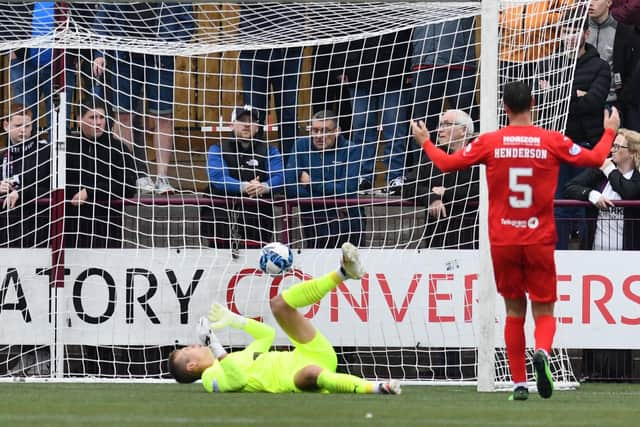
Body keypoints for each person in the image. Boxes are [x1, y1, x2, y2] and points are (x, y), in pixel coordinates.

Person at [411, 81, 620, 400]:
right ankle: (543, 353)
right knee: (544, 309)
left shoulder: (490, 142)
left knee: (513, 310)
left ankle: (520, 383)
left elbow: (446, 164)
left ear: (505, 108)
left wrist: (426, 142)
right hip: (538, 237)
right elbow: (594, 159)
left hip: (504, 238)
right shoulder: (551, 140)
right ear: (533, 104)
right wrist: (609, 132)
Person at [168, 242, 401, 395]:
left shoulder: (240, 356)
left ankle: (343, 272)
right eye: (190, 348)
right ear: (192, 366)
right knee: (312, 374)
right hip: (294, 378)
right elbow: (237, 380)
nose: (195, 344)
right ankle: (376, 388)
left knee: (279, 304)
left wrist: (234, 319)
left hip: (312, 353)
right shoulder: (211, 379)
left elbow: (267, 334)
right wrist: (213, 344)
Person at [93, 2, 195, 194]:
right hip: (124, 58)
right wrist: (100, 54)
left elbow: (188, 23)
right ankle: (126, 175)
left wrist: (171, 45)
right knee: (123, 117)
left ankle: (162, 178)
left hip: (160, 59)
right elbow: (101, 22)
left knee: (164, 118)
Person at [540, 16, 612, 249]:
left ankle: (585, 254)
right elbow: (543, 102)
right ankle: (559, 254)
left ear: (586, 34)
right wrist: (577, 94)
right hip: (557, 146)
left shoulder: (600, 66)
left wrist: (560, 93)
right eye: (565, 32)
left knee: (585, 203)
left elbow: (593, 102)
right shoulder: (550, 63)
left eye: (574, 31)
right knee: (558, 203)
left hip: (586, 146)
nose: (569, 37)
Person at [336, 29, 413, 193]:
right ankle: (363, 177)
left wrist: (409, 67)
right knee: (362, 130)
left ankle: (396, 177)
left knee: (396, 129)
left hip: (395, 73)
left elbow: (409, 34)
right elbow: (345, 32)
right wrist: (343, 67)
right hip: (359, 73)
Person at [203, 106, 284, 249]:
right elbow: (217, 178)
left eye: (251, 121)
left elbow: (280, 176)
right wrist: (246, 186)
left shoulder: (270, 150)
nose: (247, 124)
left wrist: (264, 187)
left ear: (258, 127)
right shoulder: (217, 149)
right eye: (242, 120)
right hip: (220, 219)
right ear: (231, 125)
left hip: (257, 221)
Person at [284, 110, 363, 248]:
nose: (319, 136)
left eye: (325, 131)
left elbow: (347, 189)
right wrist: (330, 196)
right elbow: (289, 188)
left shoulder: (351, 150)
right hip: (313, 222)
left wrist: (311, 184)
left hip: (346, 222)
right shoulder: (301, 146)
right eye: (315, 130)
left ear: (337, 131)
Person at [402, 109, 479, 249]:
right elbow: (408, 186)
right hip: (438, 239)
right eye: (440, 125)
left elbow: (482, 189)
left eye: (447, 124)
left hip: (473, 237)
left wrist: (446, 193)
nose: (440, 130)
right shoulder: (432, 156)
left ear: (463, 130)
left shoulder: (479, 155)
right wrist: (432, 197)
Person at [65, 98, 137, 248]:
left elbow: (129, 187)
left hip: (108, 228)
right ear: (79, 120)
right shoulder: (68, 147)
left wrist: (91, 192)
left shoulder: (118, 148)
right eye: (92, 117)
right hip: (72, 228)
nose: (98, 122)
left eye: (101, 117)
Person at [564, 128, 640, 250]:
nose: (611, 150)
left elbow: (629, 192)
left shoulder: (633, 176)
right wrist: (591, 194)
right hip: (595, 252)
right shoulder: (600, 172)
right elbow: (570, 188)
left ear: (631, 152)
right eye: (613, 146)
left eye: (617, 147)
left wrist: (610, 170)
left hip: (628, 256)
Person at [0, 104, 50, 247]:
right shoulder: (2, 155)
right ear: (6, 125)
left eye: (27, 126)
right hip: (5, 230)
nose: (23, 130)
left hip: (38, 228)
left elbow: (51, 189)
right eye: (18, 125)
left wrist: (21, 193)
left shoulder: (45, 153)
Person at [587, 0, 640, 127]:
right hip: (582, 103)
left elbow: (632, 74)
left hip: (612, 104)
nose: (590, 3)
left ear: (609, 2)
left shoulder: (626, 33)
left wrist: (621, 102)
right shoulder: (577, 31)